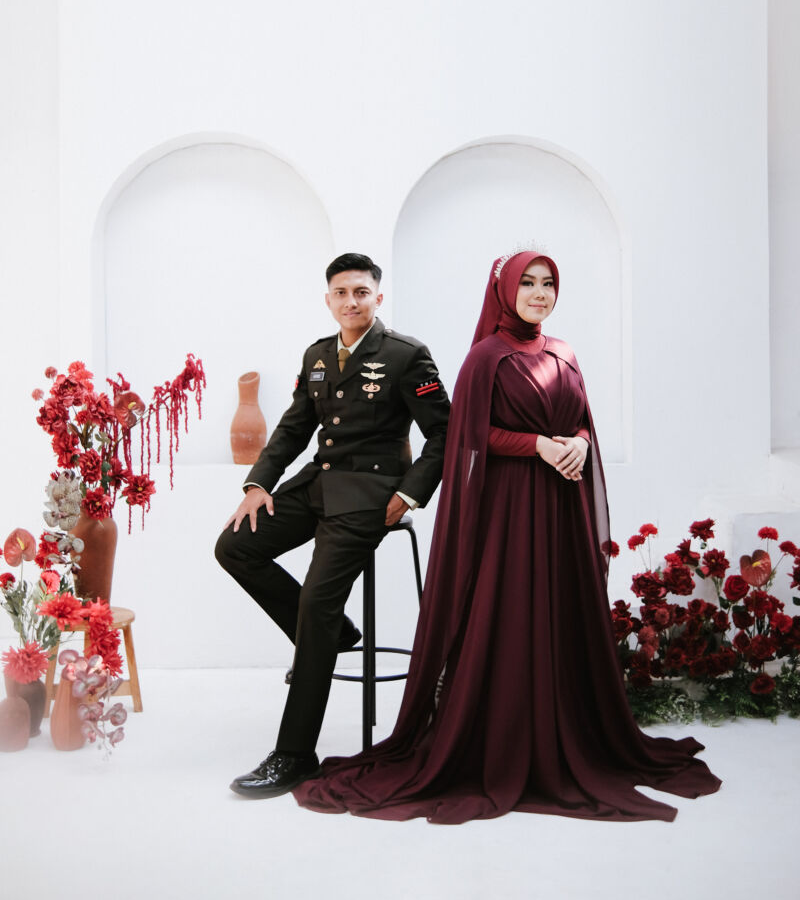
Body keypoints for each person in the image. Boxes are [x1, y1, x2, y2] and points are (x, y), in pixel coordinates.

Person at [294, 249, 721, 823]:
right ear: (506, 290)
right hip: (511, 505)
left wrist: (579, 444)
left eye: (548, 283)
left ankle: (567, 728)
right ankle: (508, 732)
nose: (540, 294)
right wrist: (537, 445)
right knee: (514, 606)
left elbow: (581, 419)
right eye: (528, 283)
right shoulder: (485, 357)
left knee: (560, 608)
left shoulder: (564, 352)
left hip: (561, 504)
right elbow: (468, 434)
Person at [215, 252, 450, 798]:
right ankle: (330, 634)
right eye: (341, 293)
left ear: (378, 298)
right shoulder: (318, 355)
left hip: (370, 496)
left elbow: (444, 431)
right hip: (317, 484)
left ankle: (295, 754)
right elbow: (294, 427)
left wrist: (410, 493)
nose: (351, 302)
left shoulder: (406, 355)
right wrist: (258, 484)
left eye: (361, 292)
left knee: (317, 602)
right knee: (235, 547)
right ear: (328, 300)